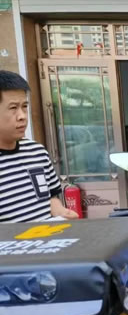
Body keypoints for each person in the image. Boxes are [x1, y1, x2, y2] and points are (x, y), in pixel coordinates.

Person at [0, 70, 78, 223]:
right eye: (13, 108)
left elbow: (51, 196)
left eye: (24, 106)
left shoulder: (37, 152)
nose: (22, 116)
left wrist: (61, 211)